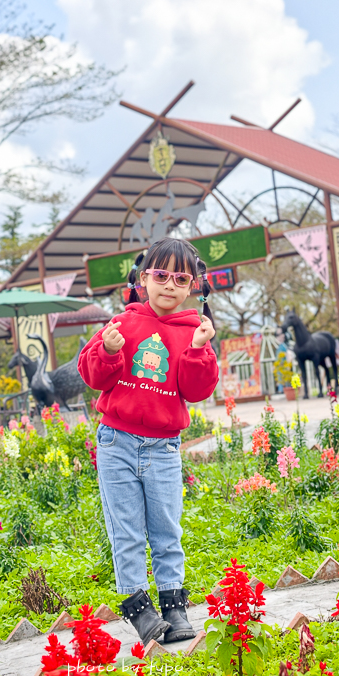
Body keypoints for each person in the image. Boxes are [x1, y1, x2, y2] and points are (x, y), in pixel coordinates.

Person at [78, 237, 219, 646]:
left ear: (193, 285)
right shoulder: (121, 324)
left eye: (180, 277)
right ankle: (139, 610)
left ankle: (174, 605)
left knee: (166, 530)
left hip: (163, 448)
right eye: (160, 275)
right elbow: (93, 376)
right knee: (126, 532)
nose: (169, 284)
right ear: (143, 279)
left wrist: (198, 350)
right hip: (116, 442)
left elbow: (196, 390)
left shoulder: (193, 330)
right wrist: (107, 350)